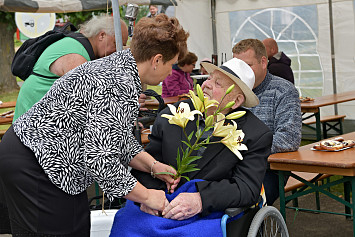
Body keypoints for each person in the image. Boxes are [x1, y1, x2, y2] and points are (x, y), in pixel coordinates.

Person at [0, 14, 189, 236]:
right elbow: (101, 159)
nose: (170, 74)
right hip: (36, 162)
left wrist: (152, 165)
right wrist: (147, 196)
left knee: (76, 224)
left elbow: (113, 137)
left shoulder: (121, 65)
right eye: (171, 65)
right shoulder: (119, 84)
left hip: (34, 154)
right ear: (156, 60)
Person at [131, 58, 273, 221]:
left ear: (237, 101)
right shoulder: (176, 113)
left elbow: (246, 188)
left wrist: (200, 199)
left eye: (218, 83)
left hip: (207, 214)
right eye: (209, 78)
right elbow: (147, 165)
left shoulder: (254, 134)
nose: (206, 84)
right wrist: (146, 196)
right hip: (158, 207)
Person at [13, 16, 129, 121]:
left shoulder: (79, 43)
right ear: (102, 35)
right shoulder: (76, 55)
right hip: (31, 126)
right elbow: (92, 101)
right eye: (116, 44)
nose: (118, 51)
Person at [232, 38, 302, 205]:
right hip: (230, 166)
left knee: (242, 204)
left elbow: (289, 139)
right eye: (237, 67)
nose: (242, 73)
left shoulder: (284, 91)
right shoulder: (230, 90)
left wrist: (241, 148)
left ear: (263, 62)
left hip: (269, 169)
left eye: (247, 66)